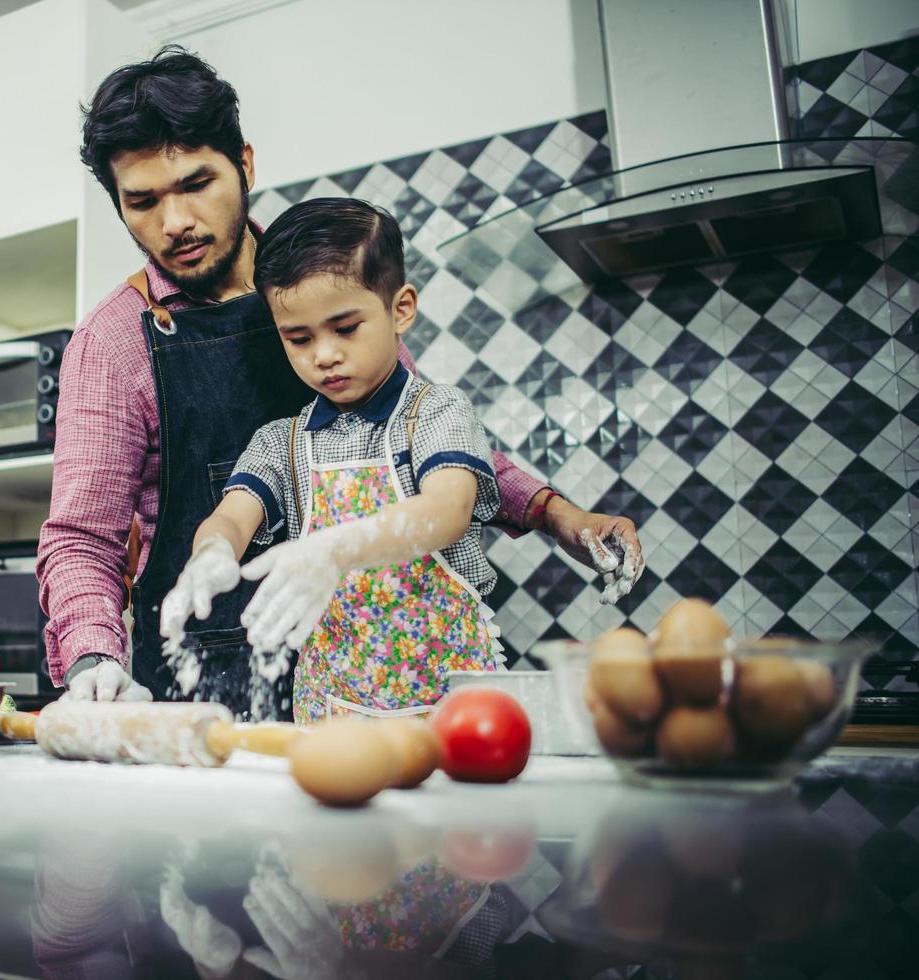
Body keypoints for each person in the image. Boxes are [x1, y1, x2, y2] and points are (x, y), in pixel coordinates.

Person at [37, 46, 644, 711]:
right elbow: (80, 539)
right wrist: (93, 656)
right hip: (204, 684)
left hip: (372, 667)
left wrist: (559, 518)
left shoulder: (321, 280)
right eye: (143, 201)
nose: (174, 221)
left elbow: (423, 439)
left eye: (195, 184)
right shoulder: (114, 342)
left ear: (243, 164)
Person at [162, 197, 503, 720]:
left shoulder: (436, 413)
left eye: (345, 329)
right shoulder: (283, 442)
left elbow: (447, 510)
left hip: (455, 718)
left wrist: (338, 549)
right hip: (331, 719)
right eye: (298, 338)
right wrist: (212, 553)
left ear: (400, 309)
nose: (323, 355)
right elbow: (233, 515)